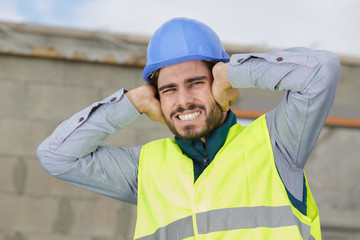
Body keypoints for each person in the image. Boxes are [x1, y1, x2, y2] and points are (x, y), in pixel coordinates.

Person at [37, 17, 340, 240]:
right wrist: (131, 101)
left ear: (219, 83)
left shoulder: (276, 144)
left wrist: (232, 71)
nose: (183, 101)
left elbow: (321, 72)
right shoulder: (145, 168)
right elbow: (56, 155)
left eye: (196, 83)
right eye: (169, 89)